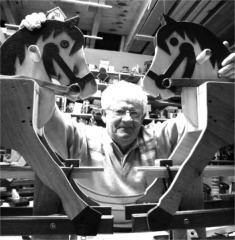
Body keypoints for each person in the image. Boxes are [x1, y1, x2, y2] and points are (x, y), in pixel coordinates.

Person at [20, 12, 234, 231]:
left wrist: (221, 80)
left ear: (143, 117)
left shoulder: (159, 135)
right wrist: (31, 44)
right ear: (103, 115)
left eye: (135, 113)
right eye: (120, 111)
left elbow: (198, 118)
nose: (128, 119)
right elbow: (44, 113)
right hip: (93, 229)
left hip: (151, 228)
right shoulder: (81, 137)